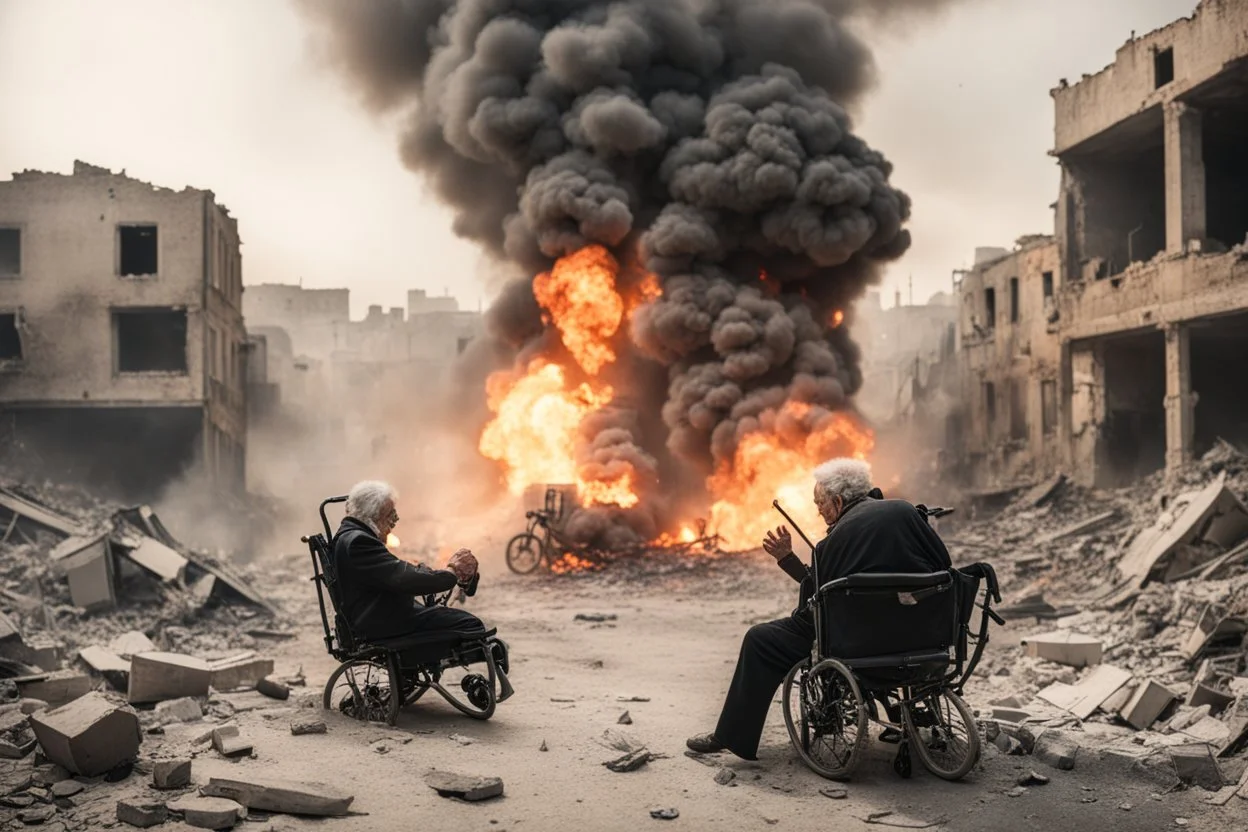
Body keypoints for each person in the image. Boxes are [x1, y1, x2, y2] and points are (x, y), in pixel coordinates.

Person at [685, 458, 953, 761]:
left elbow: (818, 596)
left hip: (856, 644)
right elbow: (943, 565)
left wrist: (787, 560)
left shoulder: (833, 542)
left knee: (760, 639)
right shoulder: (906, 511)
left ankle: (730, 736)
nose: (818, 511)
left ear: (838, 501)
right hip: (923, 636)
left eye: (820, 503)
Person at [332, 480, 484, 642]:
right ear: (374, 514)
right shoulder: (359, 541)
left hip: (377, 616)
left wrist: (430, 573)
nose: (396, 519)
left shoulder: (350, 535)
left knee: (448, 616)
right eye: (390, 513)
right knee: (470, 624)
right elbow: (402, 579)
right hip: (383, 623)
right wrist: (451, 573)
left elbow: (393, 572)